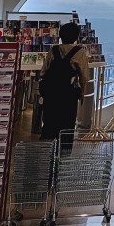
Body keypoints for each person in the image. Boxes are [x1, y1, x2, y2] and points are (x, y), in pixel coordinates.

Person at [39, 22, 86, 152]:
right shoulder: (79, 52)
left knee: (50, 122)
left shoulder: (53, 50)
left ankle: (47, 151)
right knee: (67, 123)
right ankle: (64, 152)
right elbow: (83, 76)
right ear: (76, 37)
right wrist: (82, 93)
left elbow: (44, 71)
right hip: (68, 94)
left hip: (51, 93)